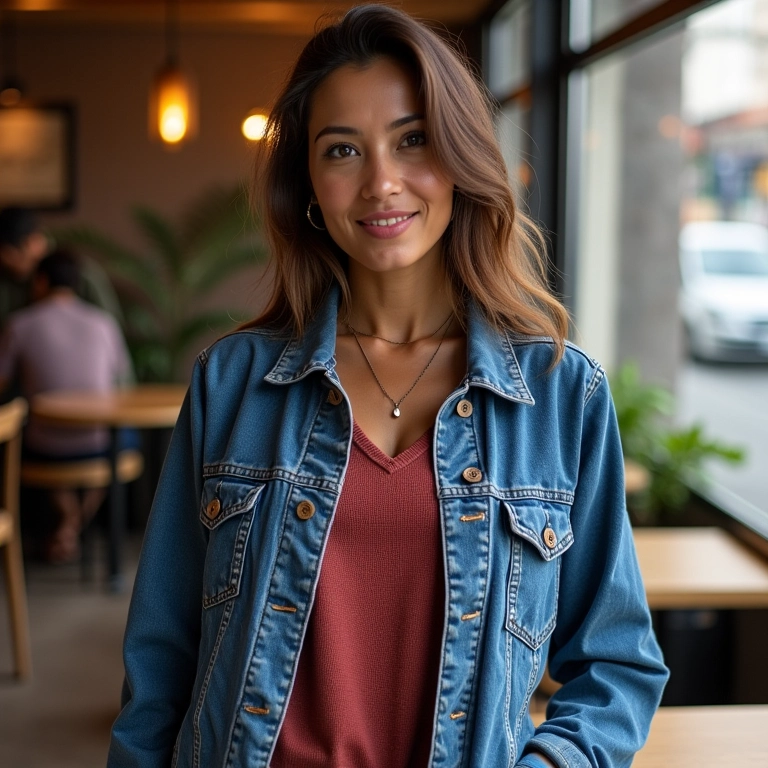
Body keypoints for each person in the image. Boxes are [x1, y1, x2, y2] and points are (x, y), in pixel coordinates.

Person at [108, 6, 668, 767]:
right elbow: (160, 663)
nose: (380, 182)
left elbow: (616, 667)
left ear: (462, 154)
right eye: (343, 149)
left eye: (413, 140)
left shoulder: (561, 393)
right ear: (308, 180)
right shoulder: (232, 383)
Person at [0, 249, 134, 562]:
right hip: (100, 443)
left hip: (44, 445)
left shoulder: (19, 324)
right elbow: (123, 381)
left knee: (31, 439)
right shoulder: (103, 322)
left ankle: (65, 526)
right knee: (121, 445)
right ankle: (73, 526)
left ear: (41, 281)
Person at [0, 206, 124, 332]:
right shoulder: (6, 279)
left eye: (9, 254)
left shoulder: (81, 272)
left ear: (32, 242)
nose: (6, 262)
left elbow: (110, 328)